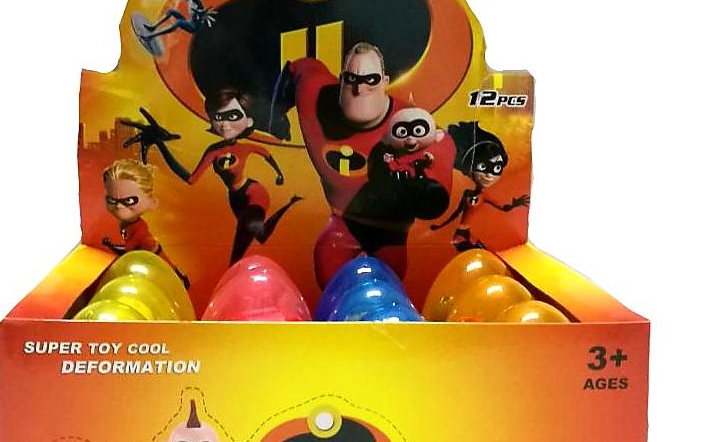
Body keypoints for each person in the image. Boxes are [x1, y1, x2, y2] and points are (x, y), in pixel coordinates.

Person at [279, 43, 455, 286]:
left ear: (385, 81)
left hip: (391, 233)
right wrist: (274, 113)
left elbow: (437, 182)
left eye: (370, 80)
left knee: (389, 286)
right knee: (329, 262)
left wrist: (418, 188)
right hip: (343, 223)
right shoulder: (315, 95)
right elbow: (304, 68)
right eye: (352, 79)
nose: (359, 89)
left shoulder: (413, 129)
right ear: (342, 79)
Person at [124, 91, 302, 266]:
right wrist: (160, 145)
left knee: (240, 244)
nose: (224, 124)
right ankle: (289, 204)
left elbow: (265, 153)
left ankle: (232, 270)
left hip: (254, 193)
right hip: (235, 198)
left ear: (249, 121)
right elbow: (191, 179)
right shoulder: (213, 151)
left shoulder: (245, 147)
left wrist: (279, 174)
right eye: (218, 117)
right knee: (261, 235)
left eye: (232, 116)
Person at [429, 121, 529, 250]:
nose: (489, 175)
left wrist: (515, 204)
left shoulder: (485, 196)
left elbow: (503, 208)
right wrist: (440, 226)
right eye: (482, 166)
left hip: (469, 233)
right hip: (461, 234)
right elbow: (456, 214)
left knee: (483, 252)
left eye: (497, 168)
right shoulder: (467, 194)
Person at [102, 158, 190, 288]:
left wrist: (110, 245)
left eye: (129, 200)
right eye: (112, 200)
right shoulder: (128, 225)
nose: (119, 206)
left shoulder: (139, 230)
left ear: (152, 203)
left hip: (156, 263)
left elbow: (127, 251)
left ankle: (180, 280)